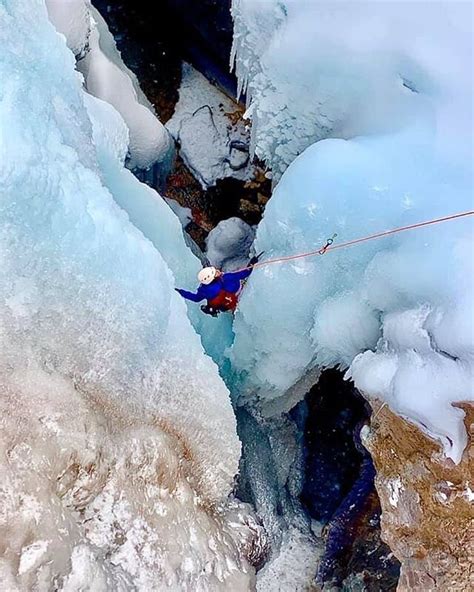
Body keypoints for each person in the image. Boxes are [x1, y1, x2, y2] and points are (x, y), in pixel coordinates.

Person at [175, 255, 260, 316]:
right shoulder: (226, 278)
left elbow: (195, 298)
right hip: (237, 291)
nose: (217, 270)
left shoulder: (203, 291)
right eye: (215, 272)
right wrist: (252, 263)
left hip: (223, 304)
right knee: (237, 280)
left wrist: (180, 292)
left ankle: (231, 309)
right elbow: (245, 273)